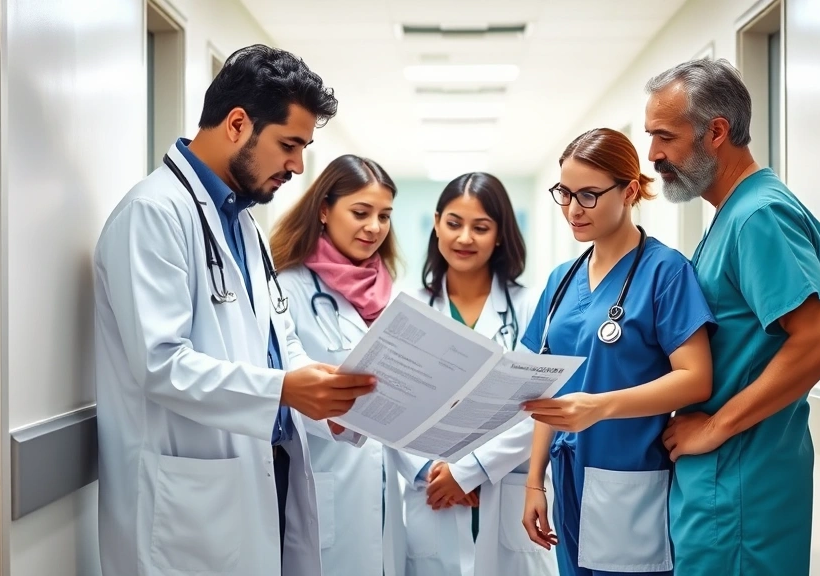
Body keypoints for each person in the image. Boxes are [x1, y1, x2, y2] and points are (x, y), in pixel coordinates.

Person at [94, 45, 376, 576]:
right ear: (238, 124)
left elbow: (278, 341)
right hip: (186, 506)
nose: (297, 165)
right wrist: (286, 390)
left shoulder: (243, 221)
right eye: (289, 145)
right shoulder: (152, 214)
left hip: (259, 482)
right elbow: (161, 364)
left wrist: (325, 402)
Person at [644, 58, 820, 576]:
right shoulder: (732, 213)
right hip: (725, 481)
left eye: (664, 137)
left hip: (740, 486)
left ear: (715, 132)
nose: (653, 155)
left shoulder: (759, 215)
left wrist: (715, 427)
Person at [519, 128, 716, 576]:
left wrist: (601, 407)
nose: (572, 209)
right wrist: (534, 483)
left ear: (629, 191)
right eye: (565, 193)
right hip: (567, 478)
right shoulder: (561, 280)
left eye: (588, 195)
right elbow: (544, 386)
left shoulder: (665, 271)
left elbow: (695, 376)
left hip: (629, 476)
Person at [401, 173, 557, 576]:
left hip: (504, 489)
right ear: (436, 224)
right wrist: (433, 475)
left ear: (500, 234)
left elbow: (543, 407)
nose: (465, 237)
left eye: (481, 227)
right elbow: (390, 403)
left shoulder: (530, 307)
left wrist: (471, 471)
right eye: (454, 223)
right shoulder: (408, 309)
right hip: (432, 493)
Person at [270, 154, 409, 576]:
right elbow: (278, 387)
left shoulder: (386, 288)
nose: (375, 227)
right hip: (322, 474)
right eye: (361, 212)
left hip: (383, 482)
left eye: (384, 215)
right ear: (325, 210)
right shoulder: (287, 287)